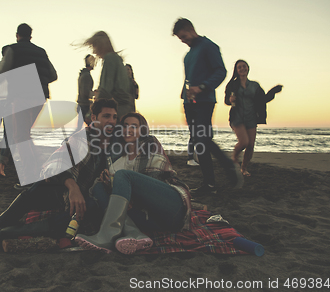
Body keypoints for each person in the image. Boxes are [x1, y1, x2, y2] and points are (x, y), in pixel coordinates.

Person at [0, 98, 120, 247]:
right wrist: (72, 187)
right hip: (66, 194)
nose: (112, 121)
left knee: (89, 206)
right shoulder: (81, 139)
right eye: (106, 116)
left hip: (88, 200)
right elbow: (57, 162)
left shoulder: (115, 144)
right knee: (42, 185)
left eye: (115, 117)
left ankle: (9, 232)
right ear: (94, 118)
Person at [74, 112, 192, 254]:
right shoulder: (115, 159)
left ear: (142, 130)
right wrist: (107, 183)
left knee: (123, 175)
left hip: (170, 208)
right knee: (98, 186)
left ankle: (107, 235)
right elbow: (116, 193)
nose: (128, 130)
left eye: (134, 126)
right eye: (125, 126)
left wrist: (130, 196)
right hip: (150, 219)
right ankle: (135, 233)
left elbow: (157, 179)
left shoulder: (150, 145)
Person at [172, 18, 244, 195]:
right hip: (189, 103)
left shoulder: (208, 46)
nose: (183, 41)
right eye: (180, 39)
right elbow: (189, 80)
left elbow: (221, 71)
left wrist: (202, 87)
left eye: (184, 36)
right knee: (199, 142)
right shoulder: (188, 55)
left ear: (190, 29)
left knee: (203, 139)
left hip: (205, 101)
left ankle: (229, 167)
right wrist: (184, 97)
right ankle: (209, 185)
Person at [0, 23, 58, 180]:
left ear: (17, 35)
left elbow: (3, 71)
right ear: (31, 36)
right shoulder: (41, 52)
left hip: (21, 97)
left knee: (19, 136)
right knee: (24, 135)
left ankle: (33, 174)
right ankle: (37, 169)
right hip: (39, 97)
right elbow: (53, 75)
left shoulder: (13, 49)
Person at [224, 59, 283, 176]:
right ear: (236, 70)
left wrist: (273, 91)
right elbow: (226, 101)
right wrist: (230, 100)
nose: (242, 69)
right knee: (244, 142)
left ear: (248, 68)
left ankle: (244, 169)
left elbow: (263, 99)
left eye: (244, 66)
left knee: (250, 145)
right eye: (239, 67)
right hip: (237, 117)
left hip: (251, 118)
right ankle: (234, 157)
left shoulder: (254, 85)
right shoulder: (232, 85)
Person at [82, 31, 133, 121]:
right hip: (125, 109)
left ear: (101, 45)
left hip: (117, 111)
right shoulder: (117, 59)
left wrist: (91, 114)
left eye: (94, 46)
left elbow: (105, 90)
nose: (94, 51)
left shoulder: (110, 58)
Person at [76, 54, 95, 130]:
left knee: (80, 127)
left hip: (81, 104)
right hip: (85, 105)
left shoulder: (83, 74)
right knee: (92, 126)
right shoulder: (86, 75)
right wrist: (95, 94)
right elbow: (85, 92)